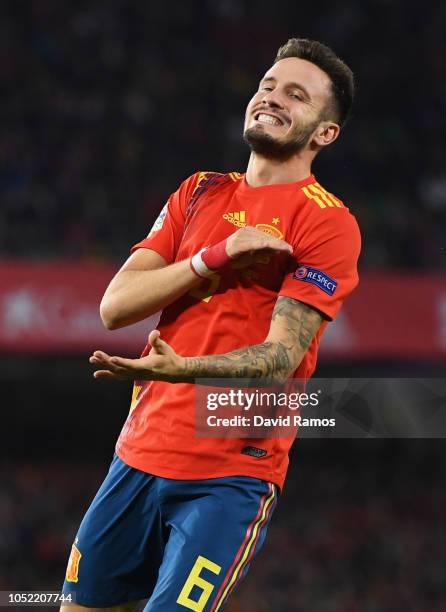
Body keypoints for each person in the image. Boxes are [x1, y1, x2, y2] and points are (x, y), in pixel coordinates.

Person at [61, 38, 360, 611]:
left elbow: (279, 358)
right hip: (136, 456)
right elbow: (115, 305)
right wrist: (213, 258)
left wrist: (182, 370)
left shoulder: (328, 224)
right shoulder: (199, 192)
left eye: (296, 96)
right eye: (268, 86)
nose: (272, 99)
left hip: (228, 474)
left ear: (325, 133)